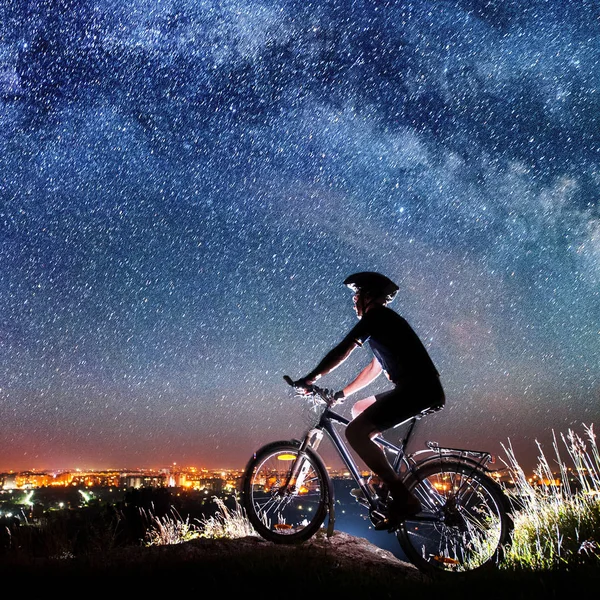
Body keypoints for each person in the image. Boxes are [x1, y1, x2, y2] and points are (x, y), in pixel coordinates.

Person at [292, 271, 445, 526]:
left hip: (418, 390)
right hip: (417, 388)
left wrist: (311, 378)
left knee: (355, 433)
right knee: (359, 408)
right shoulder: (383, 324)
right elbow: (373, 370)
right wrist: (341, 394)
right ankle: (383, 480)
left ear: (369, 296)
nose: (354, 302)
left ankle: (401, 496)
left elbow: (344, 349)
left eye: (356, 295)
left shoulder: (377, 316)